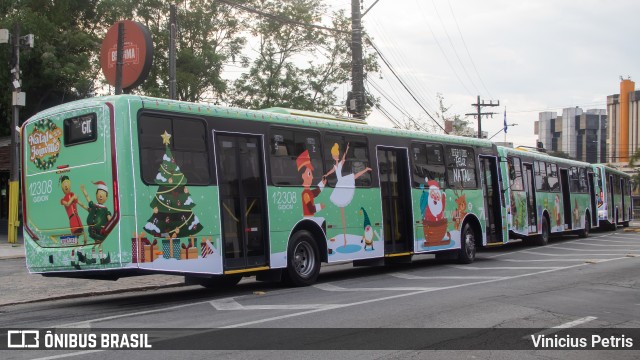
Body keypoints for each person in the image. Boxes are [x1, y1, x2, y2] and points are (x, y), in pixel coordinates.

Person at [324, 143, 371, 247]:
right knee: (342, 215)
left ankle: (345, 239)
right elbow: (332, 170)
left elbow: (344, 159)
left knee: (354, 176)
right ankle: (345, 239)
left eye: (335, 154)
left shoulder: (339, 163)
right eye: (334, 155)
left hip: (342, 183)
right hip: (340, 184)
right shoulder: (335, 165)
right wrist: (326, 175)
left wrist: (347, 149)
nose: (335, 156)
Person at [59, 175, 87, 245]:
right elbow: (68, 204)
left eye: (67, 184)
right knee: (75, 237)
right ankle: (73, 252)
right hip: (72, 219)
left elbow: (81, 204)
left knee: (83, 235)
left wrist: (88, 209)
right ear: (62, 188)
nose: (66, 186)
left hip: (77, 218)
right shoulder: (62, 200)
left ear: (70, 185)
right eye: (64, 185)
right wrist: (73, 197)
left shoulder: (73, 196)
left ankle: (79, 251)